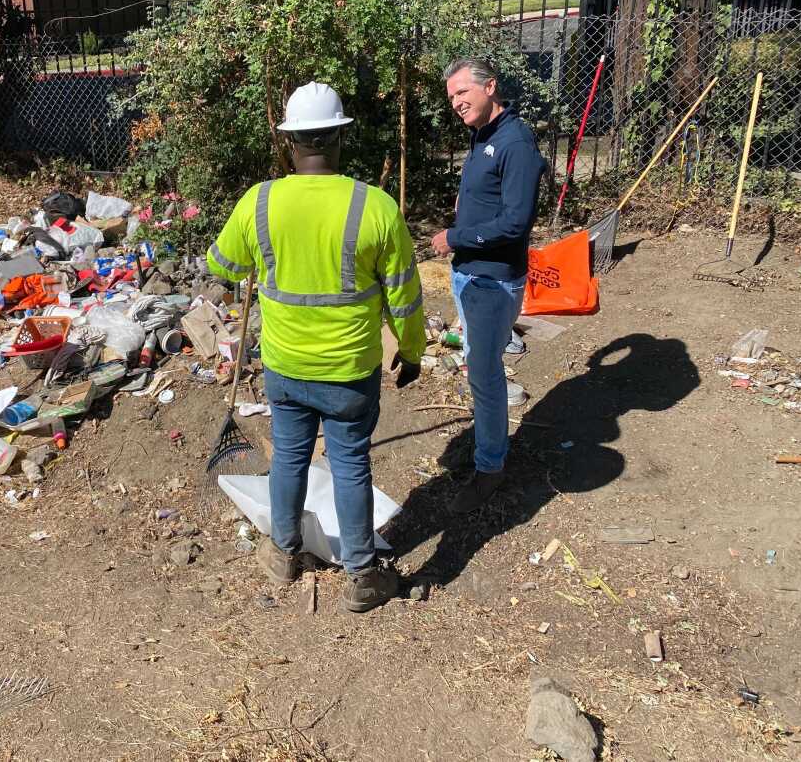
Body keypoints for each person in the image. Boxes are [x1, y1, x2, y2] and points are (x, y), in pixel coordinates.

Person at [207, 81, 426, 613]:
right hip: (350, 371)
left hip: (286, 367)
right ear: (340, 138)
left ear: (291, 142)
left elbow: (222, 266)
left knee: (289, 459)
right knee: (350, 464)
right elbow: (405, 296)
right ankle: (362, 576)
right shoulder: (374, 207)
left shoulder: (260, 202)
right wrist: (412, 351)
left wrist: (264, 255)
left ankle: (283, 554)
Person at [431, 58, 547, 513]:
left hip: (491, 278)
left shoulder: (516, 142)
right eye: (451, 97)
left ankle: (490, 468)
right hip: (471, 272)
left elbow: (517, 222)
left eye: (463, 93)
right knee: (478, 365)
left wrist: (454, 236)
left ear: (490, 87)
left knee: (483, 371)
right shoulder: (483, 134)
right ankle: (488, 447)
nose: (457, 103)